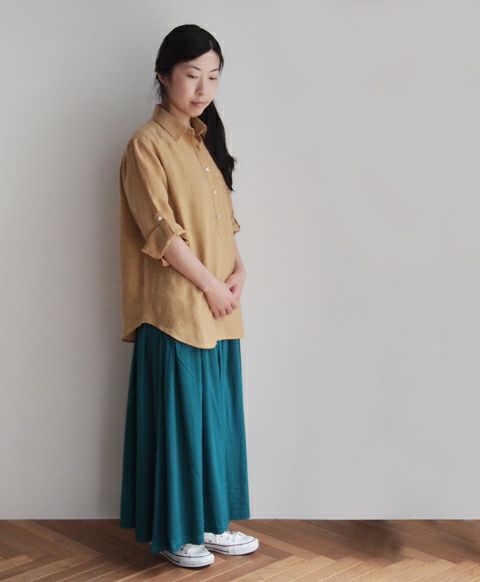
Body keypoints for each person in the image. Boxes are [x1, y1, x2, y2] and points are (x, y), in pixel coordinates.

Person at [118, 24, 259, 569]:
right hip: (177, 311)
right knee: (180, 426)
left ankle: (211, 523)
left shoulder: (205, 143)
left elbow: (223, 225)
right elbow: (162, 234)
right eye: (192, 75)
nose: (203, 89)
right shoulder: (145, 145)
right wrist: (210, 286)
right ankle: (178, 534)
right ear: (163, 76)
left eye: (213, 77)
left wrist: (239, 272)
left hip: (219, 310)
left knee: (214, 424)